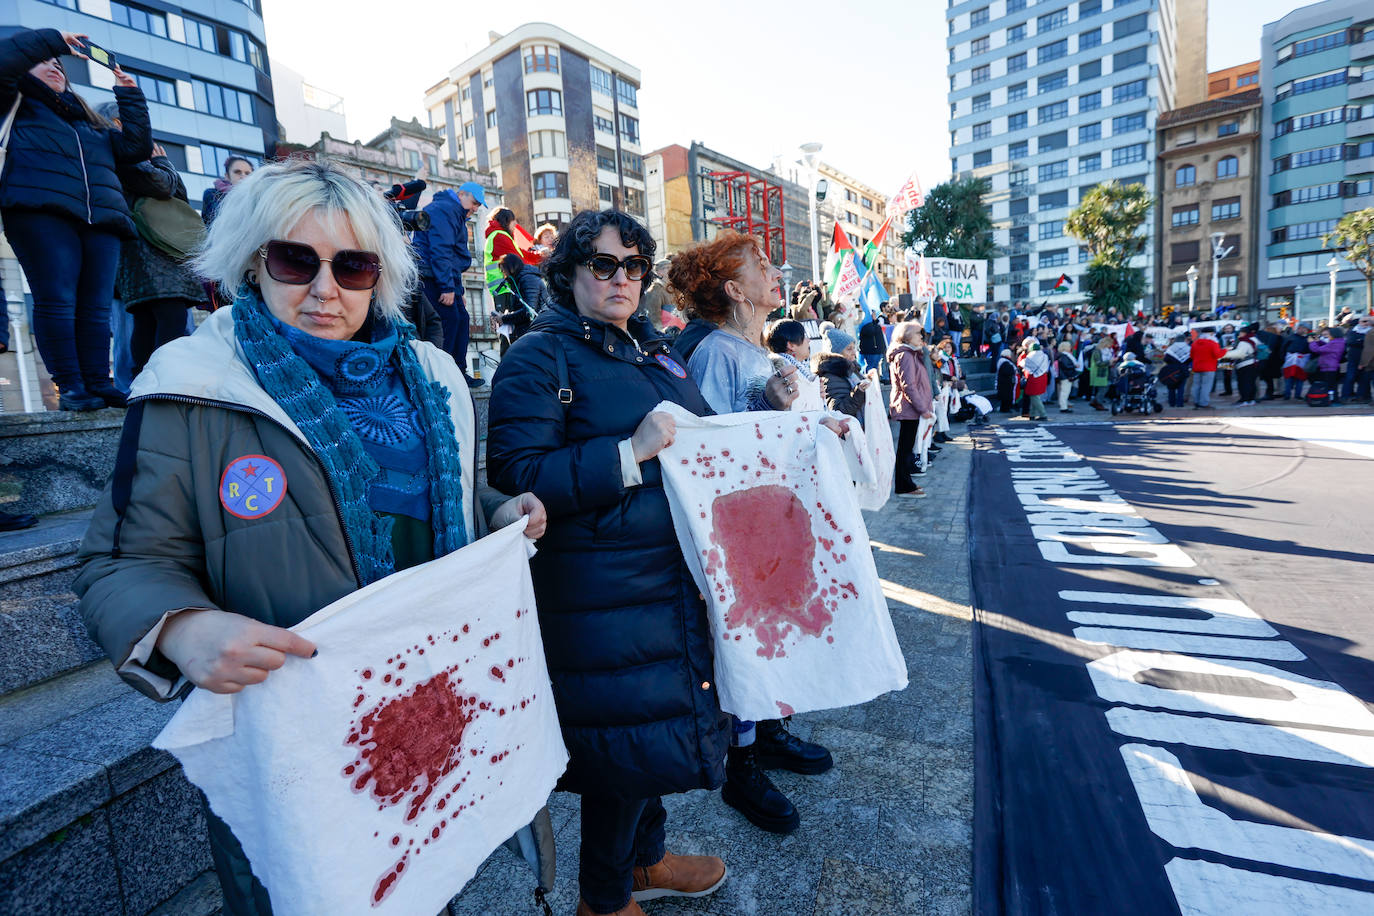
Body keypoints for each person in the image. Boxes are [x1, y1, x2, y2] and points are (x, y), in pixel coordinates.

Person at [75, 159, 548, 915]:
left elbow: (443, 497)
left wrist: (494, 510)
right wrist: (180, 627)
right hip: (293, 734)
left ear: (380, 276)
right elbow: (123, 559)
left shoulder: (433, 378)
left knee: (429, 876)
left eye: (352, 266)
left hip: (429, 710)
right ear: (252, 262)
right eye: (297, 259)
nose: (325, 290)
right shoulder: (195, 383)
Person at [486, 210, 729, 916]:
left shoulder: (650, 348)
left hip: (665, 578)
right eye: (602, 264)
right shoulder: (541, 354)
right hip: (600, 590)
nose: (621, 278)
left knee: (651, 730)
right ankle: (603, 897)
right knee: (622, 748)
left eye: (633, 265)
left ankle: (645, 861)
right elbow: (514, 470)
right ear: (569, 273)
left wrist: (772, 408)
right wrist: (628, 454)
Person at [669, 230, 838, 838]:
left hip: (767, 514)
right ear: (735, 289)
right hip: (736, 521)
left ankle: (766, 734)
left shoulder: (752, 348)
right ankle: (741, 765)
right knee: (741, 635)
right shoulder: (717, 351)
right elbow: (711, 444)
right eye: (758, 264)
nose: (773, 270)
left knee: (772, 627)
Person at [0, 27, 151, 410]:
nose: (54, 65)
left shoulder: (90, 123)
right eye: (43, 61)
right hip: (40, 211)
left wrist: (129, 94)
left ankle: (99, 382)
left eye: (58, 63)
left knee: (96, 307)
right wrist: (53, 40)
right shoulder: (15, 104)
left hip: (100, 220)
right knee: (57, 299)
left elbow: (135, 148)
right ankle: (70, 386)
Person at [96, 101, 202, 381]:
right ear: (117, 123)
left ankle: (145, 381)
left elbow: (174, 190)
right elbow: (169, 187)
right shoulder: (125, 153)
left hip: (138, 251)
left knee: (147, 319)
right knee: (169, 317)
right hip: (150, 250)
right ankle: (163, 380)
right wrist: (163, 163)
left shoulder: (109, 153)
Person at [413, 181, 486, 386]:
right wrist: (447, 287)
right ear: (461, 194)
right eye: (474, 203)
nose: (475, 208)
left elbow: (451, 257)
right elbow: (441, 250)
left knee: (461, 319)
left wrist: (457, 289)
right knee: (448, 321)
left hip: (440, 275)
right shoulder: (444, 210)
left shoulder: (453, 212)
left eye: (478, 206)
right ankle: (444, 374)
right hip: (431, 276)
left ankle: (457, 373)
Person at [888, 322, 932, 498]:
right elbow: (909, 386)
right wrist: (922, 408)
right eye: (917, 334)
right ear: (906, 336)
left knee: (906, 447)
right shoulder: (905, 355)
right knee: (905, 448)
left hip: (910, 407)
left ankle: (905, 483)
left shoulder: (910, 353)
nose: (921, 337)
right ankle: (903, 485)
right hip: (909, 407)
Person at [815, 327, 868, 420]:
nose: (854, 352)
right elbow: (838, 411)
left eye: (854, 348)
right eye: (849, 349)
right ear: (836, 353)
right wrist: (859, 391)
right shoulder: (830, 377)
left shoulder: (852, 370)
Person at [200, 155, 253, 226]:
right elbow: (217, 222)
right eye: (237, 172)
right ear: (227, 176)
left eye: (247, 173)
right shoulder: (212, 194)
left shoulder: (256, 197)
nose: (243, 176)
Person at [1221, 324, 1259, 406]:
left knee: (1244, 383)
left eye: (1240, 333)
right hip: (1253, 363)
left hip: (1244, 364)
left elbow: (1239, 354)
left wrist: (1223, 354)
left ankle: (1244, 400)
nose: (1239, 335)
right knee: (1251, 382)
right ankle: (1251, 399)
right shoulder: (1253, 339)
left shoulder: (1244, 342)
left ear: (1244, 333)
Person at [1308, 326, 1346, 404]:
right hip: (1331, 366)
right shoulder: (1338, 341)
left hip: (1329, 367)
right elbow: (1326, 347)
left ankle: (1332, 400)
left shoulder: (1335, 343)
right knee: (1332, 384)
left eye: (1329, 334)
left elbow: (1317, 349)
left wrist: (1312, 342)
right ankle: (1333, 399)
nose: (1328, 336)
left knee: (1330, 385)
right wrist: (1318, 342)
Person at [1189, 327, 1223, 409]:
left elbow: (1191, 356)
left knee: (1197, 385)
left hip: (1197, 367)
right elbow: (1217, 355)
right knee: (1206, 386)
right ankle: (1203, 403)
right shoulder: (1213, 343)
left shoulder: (1195, 343)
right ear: (1211, 334)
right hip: (1209, 367)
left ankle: (1196, 402)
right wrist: (1225, 350)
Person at [1160, 332, 1192, 408]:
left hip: (1171, 369)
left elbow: (1166, 358)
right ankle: (1180, 403)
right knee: (1181, 387)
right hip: (1183, 369)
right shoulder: (1188, 348)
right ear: (1184, 339)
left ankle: (1172, 403)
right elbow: (1190, 358)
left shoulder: (1170, 348)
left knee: (1171, 386)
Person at [1022, 340, 1050, 420]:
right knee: (1036, 396)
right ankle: (1032, 414)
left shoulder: (1030, 356)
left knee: (1034, 396)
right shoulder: (1045, 356)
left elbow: (1026, 366)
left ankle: (1043, 414)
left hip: (1033, 377)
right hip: (1043, 376)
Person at [1282, 324, 1312, 399]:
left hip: (1302, 360)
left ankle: (1297, 395)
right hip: (1290, 360)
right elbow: (1283, 348)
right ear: (1299, 328)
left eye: (1305, 329)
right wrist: (1283, 358)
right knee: (1289, 378)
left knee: (1300, 378)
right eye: (1303, 328)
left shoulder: (1308, 339)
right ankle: (1287, 394)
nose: (1304, 330)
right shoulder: (1291, 337)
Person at [858, 311, 887, 376]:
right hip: (872, 351)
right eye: (873, 314)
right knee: (871, 367)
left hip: (876, 350)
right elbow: (871, 331)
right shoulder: (867, 326)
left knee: (874, 367)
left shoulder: (874, 324)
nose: (875, 316)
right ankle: (870, 381)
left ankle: (873, 381)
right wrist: (874, 321)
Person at [1055, 340, 1080, 412]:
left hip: (1065, 376)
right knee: (1065, 392)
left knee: (1064, 392)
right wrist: (1074, 366)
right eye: (1069, 346)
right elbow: (1066, 366)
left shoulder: (1062, 355)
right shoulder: (1064, 356)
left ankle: (1064, 406)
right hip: (1066, 376)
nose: (1070, 347)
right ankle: (1063, 407)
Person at [995, 347, 1017, 412]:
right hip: (1005, 383)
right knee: (1006, 397)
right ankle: (1005, 409)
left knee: (1005, 397)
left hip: (1004, 382)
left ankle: (1005, 408)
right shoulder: (1005, 362)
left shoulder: (1002, 361)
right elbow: (1007, 371)